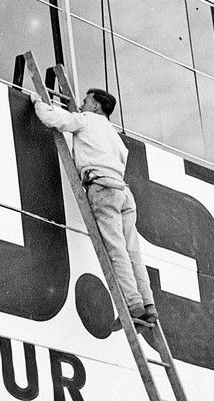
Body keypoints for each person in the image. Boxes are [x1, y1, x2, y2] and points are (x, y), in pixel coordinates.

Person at [32, 87, 157, 330]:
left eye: (86, 101)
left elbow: (52, 118)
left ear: (96, 107)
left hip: (102, 187)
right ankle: (149, 305)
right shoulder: (115, 137)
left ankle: (133, 306)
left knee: (115, 250)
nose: (80, 105)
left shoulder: (87, 120)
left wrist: (37, 101)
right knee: (132, 251)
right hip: (123, 193)